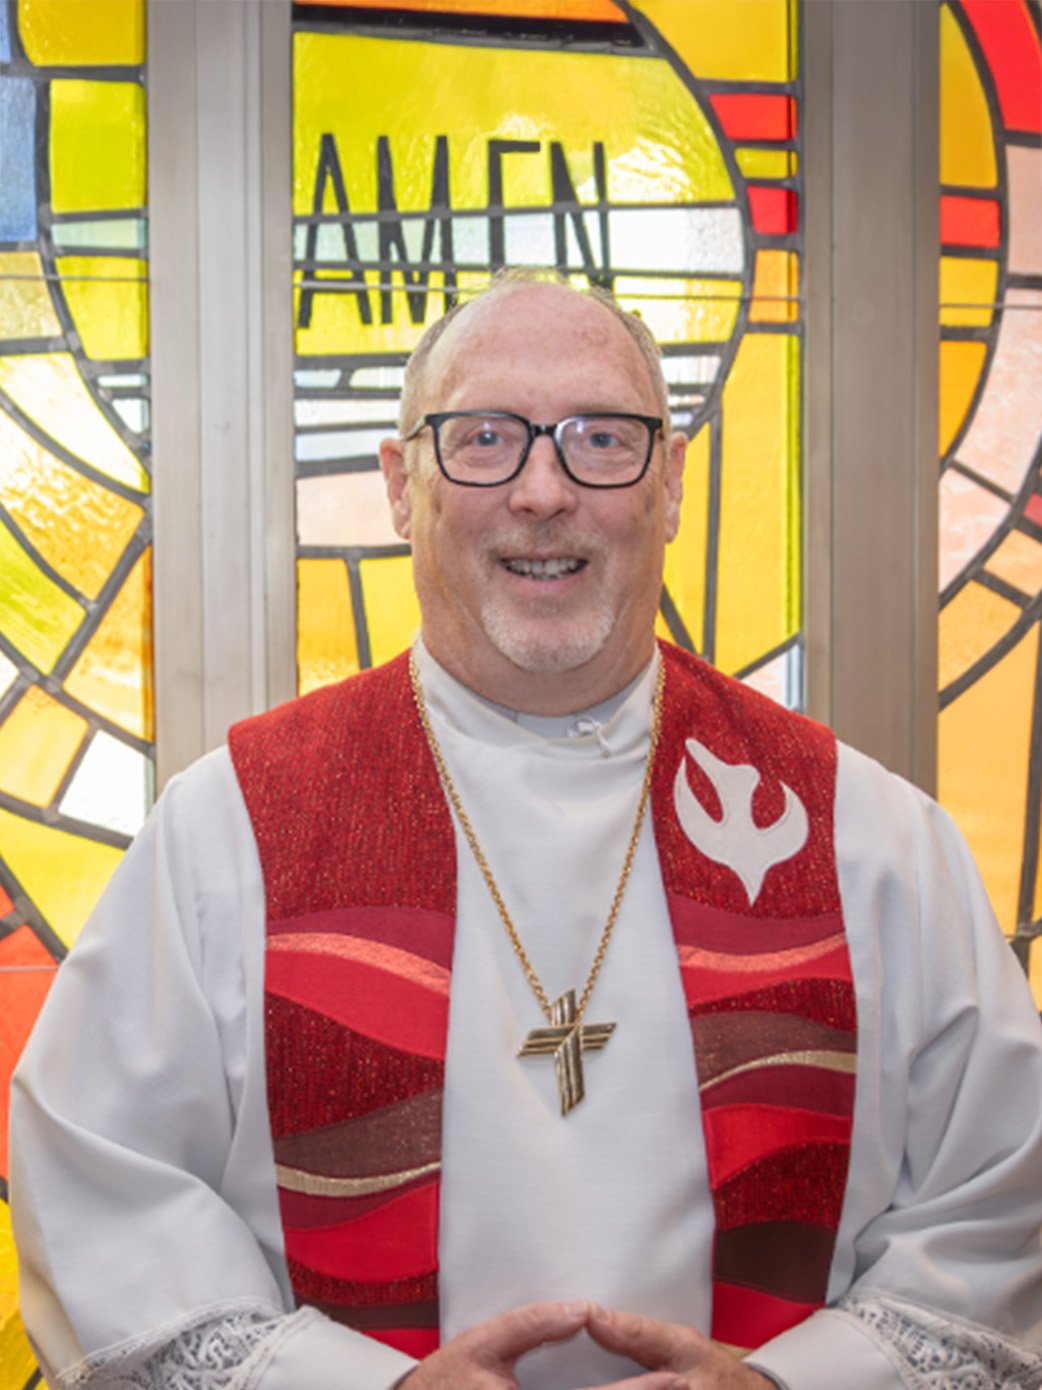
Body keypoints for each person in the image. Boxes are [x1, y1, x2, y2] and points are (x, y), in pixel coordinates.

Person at [10, 274, 1042, 1390]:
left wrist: (784, 1384)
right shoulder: (232, 833)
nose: (542, 491)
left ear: (672, 482)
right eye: (484, 438)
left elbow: (996, 1203)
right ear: (401, 486)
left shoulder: (865, 837)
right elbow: (98, 1186)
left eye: (601, 439)